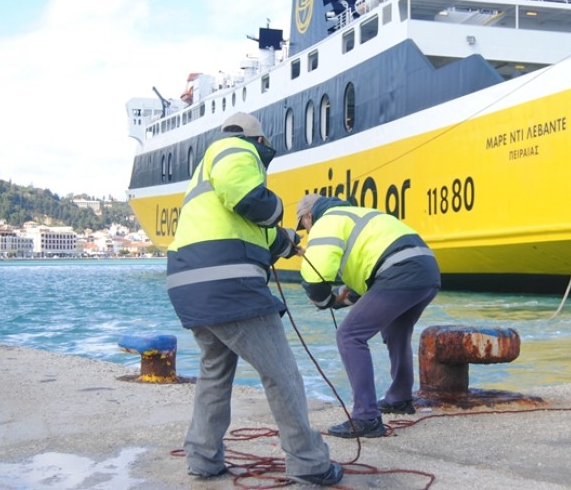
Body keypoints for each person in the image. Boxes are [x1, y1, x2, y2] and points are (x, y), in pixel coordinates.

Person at [166, 113, 342, 486]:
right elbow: (247, 197)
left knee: (215, 373)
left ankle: (203, 458)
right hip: (227, 284)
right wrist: (278, 208)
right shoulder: (233, 147)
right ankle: (309, 462)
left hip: (189, 282)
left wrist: (286, 242)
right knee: (282, 375)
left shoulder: (205, 181)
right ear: (259, 141)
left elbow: (250, 227)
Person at [295, 194, 441, 439]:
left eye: (303, 225)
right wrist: (339, 301)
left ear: (309, 215)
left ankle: (366, 417)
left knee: (349, 335)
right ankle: (399, 398)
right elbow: (370, 284)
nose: (306, 231)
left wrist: (322, 300)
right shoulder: (359, 215)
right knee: (396, 332)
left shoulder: (327, 221)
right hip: (426, 270)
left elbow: (316, 275)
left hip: (399, 271)